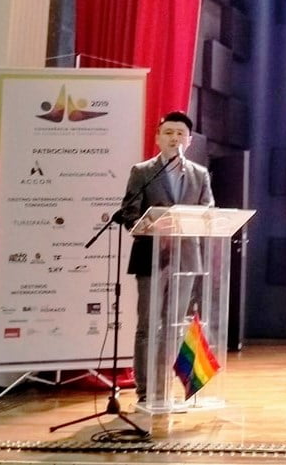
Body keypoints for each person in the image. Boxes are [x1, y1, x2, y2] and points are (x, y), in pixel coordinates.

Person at [118, 110, 214, 404]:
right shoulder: (143, 172)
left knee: (173, 325)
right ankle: (146, 391)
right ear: (158, 138)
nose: (175, 138)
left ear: (189, 140)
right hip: (150, 257)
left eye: (180, 134)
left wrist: (189, 219)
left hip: (186, 259)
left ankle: (164, 389)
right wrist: (151, 225)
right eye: (169, 133)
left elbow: (208, 211)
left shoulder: (199, 174)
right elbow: (129, 213)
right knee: (148, 326)